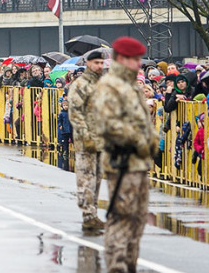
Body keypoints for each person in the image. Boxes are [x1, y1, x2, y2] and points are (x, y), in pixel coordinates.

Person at [93, 37, 157, 273]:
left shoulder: (132, 87)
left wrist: (153, 144)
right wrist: (139, 140)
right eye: (134, 59)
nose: (138, 64)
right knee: (121, 219)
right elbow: (108, 125)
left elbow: (144, 123)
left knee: (137, 220)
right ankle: (117, 267)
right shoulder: (110, 87)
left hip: (139, 162)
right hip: (121, 162)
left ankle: (129, 265)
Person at [67, 49, 106, 234]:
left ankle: (94, 213)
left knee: (97, 179)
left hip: (101, 138)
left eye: (101, 63)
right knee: (86, 178)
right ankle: (87, 215)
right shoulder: (80, 84)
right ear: (88, 64)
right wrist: (85, 134)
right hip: (86, 139)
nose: (99, 66)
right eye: (96, 63)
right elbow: (75, 112)